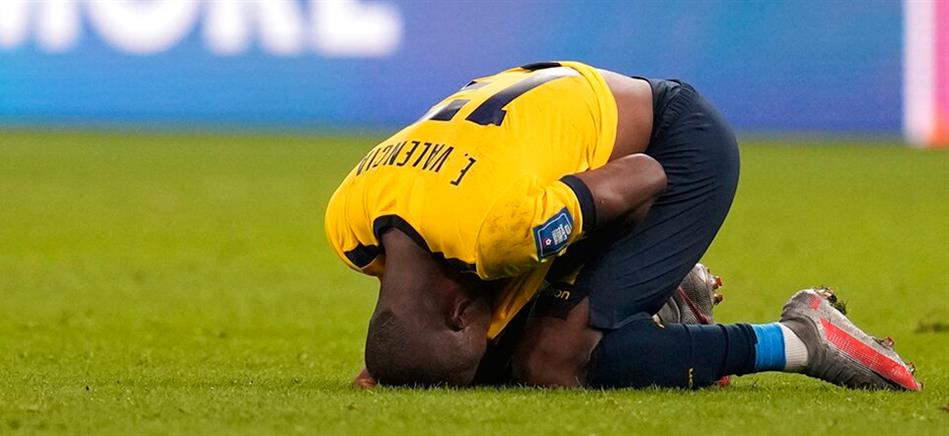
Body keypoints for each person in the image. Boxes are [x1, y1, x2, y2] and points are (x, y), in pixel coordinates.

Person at [324, 61, 921, 390]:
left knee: (549, 363)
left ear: (456, 310)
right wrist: (398, 363)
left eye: (474, 329)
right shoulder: (348, 220)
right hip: (561, 147)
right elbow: (415, 303)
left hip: (672, 146)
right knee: (510, 351)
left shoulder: (501, 232)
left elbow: (643, 175)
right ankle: (662, 294)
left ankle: (802, 338)